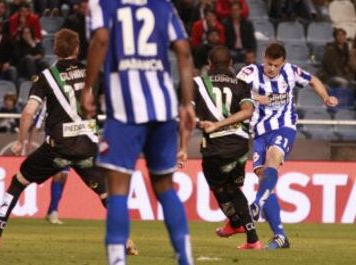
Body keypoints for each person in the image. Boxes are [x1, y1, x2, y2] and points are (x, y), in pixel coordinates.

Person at [0, 29, 137, 256]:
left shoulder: (46, 78)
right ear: (77, 48)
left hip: (57, 149)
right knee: (106, 194)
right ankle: (125, 239)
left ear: (55, 50)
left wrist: (21, 142)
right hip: (87, 148)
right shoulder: (92, 73)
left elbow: (27, 114)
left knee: (17, 182)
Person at [82, 1, 196, 264]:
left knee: (118, 187)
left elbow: (100, 39)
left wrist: (88, 89)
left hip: (125, 110)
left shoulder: (103, 4)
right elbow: (183, 51)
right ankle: (185, 257)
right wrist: (187, 103)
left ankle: (117, 260)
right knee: (165, 186)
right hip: (164, 107)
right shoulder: (162, 5)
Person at [236, 42, 338, 249]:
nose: (271, 69)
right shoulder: (250, 72)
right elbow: (234, 89)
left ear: (283, 63)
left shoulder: (291, 72)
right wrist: (255, 98)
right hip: (258, 133)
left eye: (276, 65)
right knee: (265, 180)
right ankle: (280, 236)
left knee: (273, 158)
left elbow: (313, 80)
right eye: (269, 64)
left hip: (284, 127)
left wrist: (326, 97)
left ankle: (256, 205)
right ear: (263, 58)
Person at [193, 46, 262, 249]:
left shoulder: (198, 83)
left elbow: (187, 114)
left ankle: (234, 222)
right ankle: (252, 238)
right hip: (239, 145)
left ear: (209, 64)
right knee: (233, 188)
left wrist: (208, 125)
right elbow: (248, 111)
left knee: (218, 186)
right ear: (231, 64)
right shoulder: (241, 84)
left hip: (215, 146)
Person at [26, 102, 68, 225]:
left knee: (63, 177)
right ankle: (54, 212)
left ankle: (51, 210)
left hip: (70, 143)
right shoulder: (49, 102)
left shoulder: (71, 100)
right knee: (58, 174)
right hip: (54, 143)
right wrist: (29, 144)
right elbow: (38, 124)